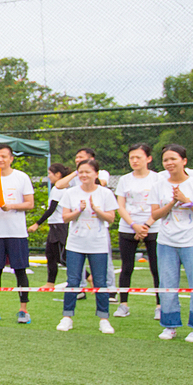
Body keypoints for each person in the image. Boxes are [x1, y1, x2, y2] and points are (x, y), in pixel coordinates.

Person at [149, 144, 193, 342]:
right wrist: (171, 203)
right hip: (166, 242)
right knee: (167, 284)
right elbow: (155, 214)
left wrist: (188, 201)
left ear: (184, 161)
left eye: (173, 159)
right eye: (165, 160)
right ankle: (170, 325)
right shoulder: (158, 185)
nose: (169, 163)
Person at [57, 159, 119, 334]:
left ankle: (104, 318)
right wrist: (78, 210)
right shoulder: (70, 193)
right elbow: (65, 218)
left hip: (98, 244)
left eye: (88, 172)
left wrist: (96, 209)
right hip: (75, 244)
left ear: (96, 174)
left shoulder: (105, 193)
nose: (84, 175)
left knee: (100, 281)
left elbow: (111, 218)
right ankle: (67, 317)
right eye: (81, 172)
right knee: (73, 281)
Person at [0, 143, 35, 324]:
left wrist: (11, 206)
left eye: (3, 156)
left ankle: (23, 310)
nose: (0, 160)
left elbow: (29, 204)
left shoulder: (21, 177)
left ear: (11, 158)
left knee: (20, 270)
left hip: (16, 232)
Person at [114, 143, 162, 319]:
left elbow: (161, 205)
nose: (134, 161)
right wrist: (134, 225)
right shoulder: (124, 180)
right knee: (126, 267)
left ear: (148, 159)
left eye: (138, 157)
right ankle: (123, 305)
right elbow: (120, 206)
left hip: (154, 227)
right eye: (131, 157)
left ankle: (160, 305)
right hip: (128, 228)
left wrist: (147, 225)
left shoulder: (157, 179)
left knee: (156, 269)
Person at [28, 164, 69, 291]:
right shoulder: (57, 189)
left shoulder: (59, 189)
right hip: (54, 226)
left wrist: (37, 223)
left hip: (60, 226)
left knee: (62, 257)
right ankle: (50, 283)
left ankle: (88, 277)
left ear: (58, 175)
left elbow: (52, 209)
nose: (48, 176)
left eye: (50, 173)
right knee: (50, 254)